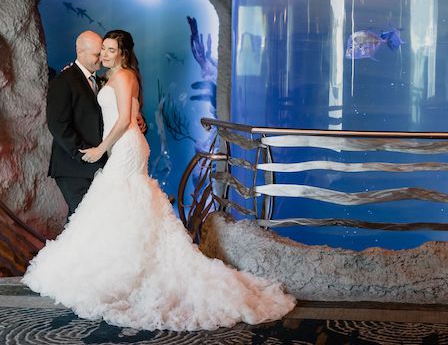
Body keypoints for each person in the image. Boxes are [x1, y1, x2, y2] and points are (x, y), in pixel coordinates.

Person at [23, 30, 295, 331]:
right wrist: (96, 147)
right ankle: (108, 271)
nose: (103, 55)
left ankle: (122, 275)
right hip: (87, 161)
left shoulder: (121, 76)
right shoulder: (74, 79)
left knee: (112, 209)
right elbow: (63, 124)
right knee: (106, 213)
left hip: (120, 151)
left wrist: (117, 137)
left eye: (109, 50)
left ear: (122, 53)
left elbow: (124, 118)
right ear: (81, 50)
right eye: (100, 51)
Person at [46, 30, 106, 216]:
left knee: (81, 224)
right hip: (72, 167)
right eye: (97, 54)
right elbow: (57, 124)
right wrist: (83, 154)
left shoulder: (100, 81)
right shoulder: (64, 81)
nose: (101, 59)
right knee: (86, 219)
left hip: (93, 166)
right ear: (80, 52)